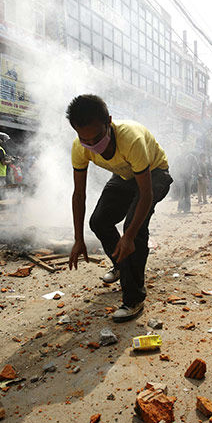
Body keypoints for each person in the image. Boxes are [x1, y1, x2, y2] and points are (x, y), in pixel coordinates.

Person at [67, 95, 173, 323]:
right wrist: (78, 239)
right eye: (85, 139)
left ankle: (134, 298)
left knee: (134, 228)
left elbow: (146, 194)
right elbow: (79, 194)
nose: (93, 146)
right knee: (99, 221)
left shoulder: (131, 138)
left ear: (109, 123)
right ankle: (121, 266)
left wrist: (129, 236)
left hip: (155, 174)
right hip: (125, 175)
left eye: (97, 137)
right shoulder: (79, 147)